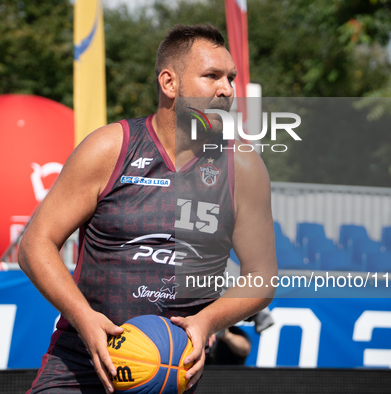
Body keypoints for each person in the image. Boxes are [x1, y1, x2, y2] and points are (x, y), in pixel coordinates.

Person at [19, 23, 278, 394]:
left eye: (230, 79)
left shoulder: (244, 168)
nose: (226, 89)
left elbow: (262, 275)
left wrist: (206, 322)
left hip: (173, 375)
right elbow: (35, 244)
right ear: (170, 84)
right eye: (212, 76)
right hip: (81, 365)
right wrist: (85, 319)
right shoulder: (110, 149)